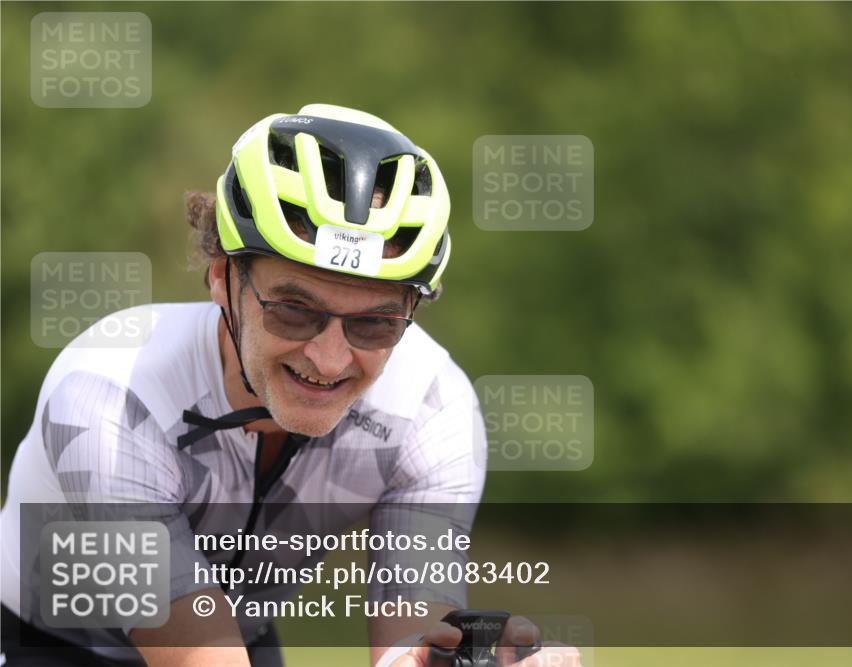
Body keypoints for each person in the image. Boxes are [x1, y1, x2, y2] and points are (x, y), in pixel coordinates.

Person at [0, 104, 580, 667]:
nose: (329, 360)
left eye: (374, 322)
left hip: (239, 637)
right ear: (222, 278)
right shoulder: (110, 393)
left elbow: (410, 640)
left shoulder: (432, 408)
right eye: (293, 310)